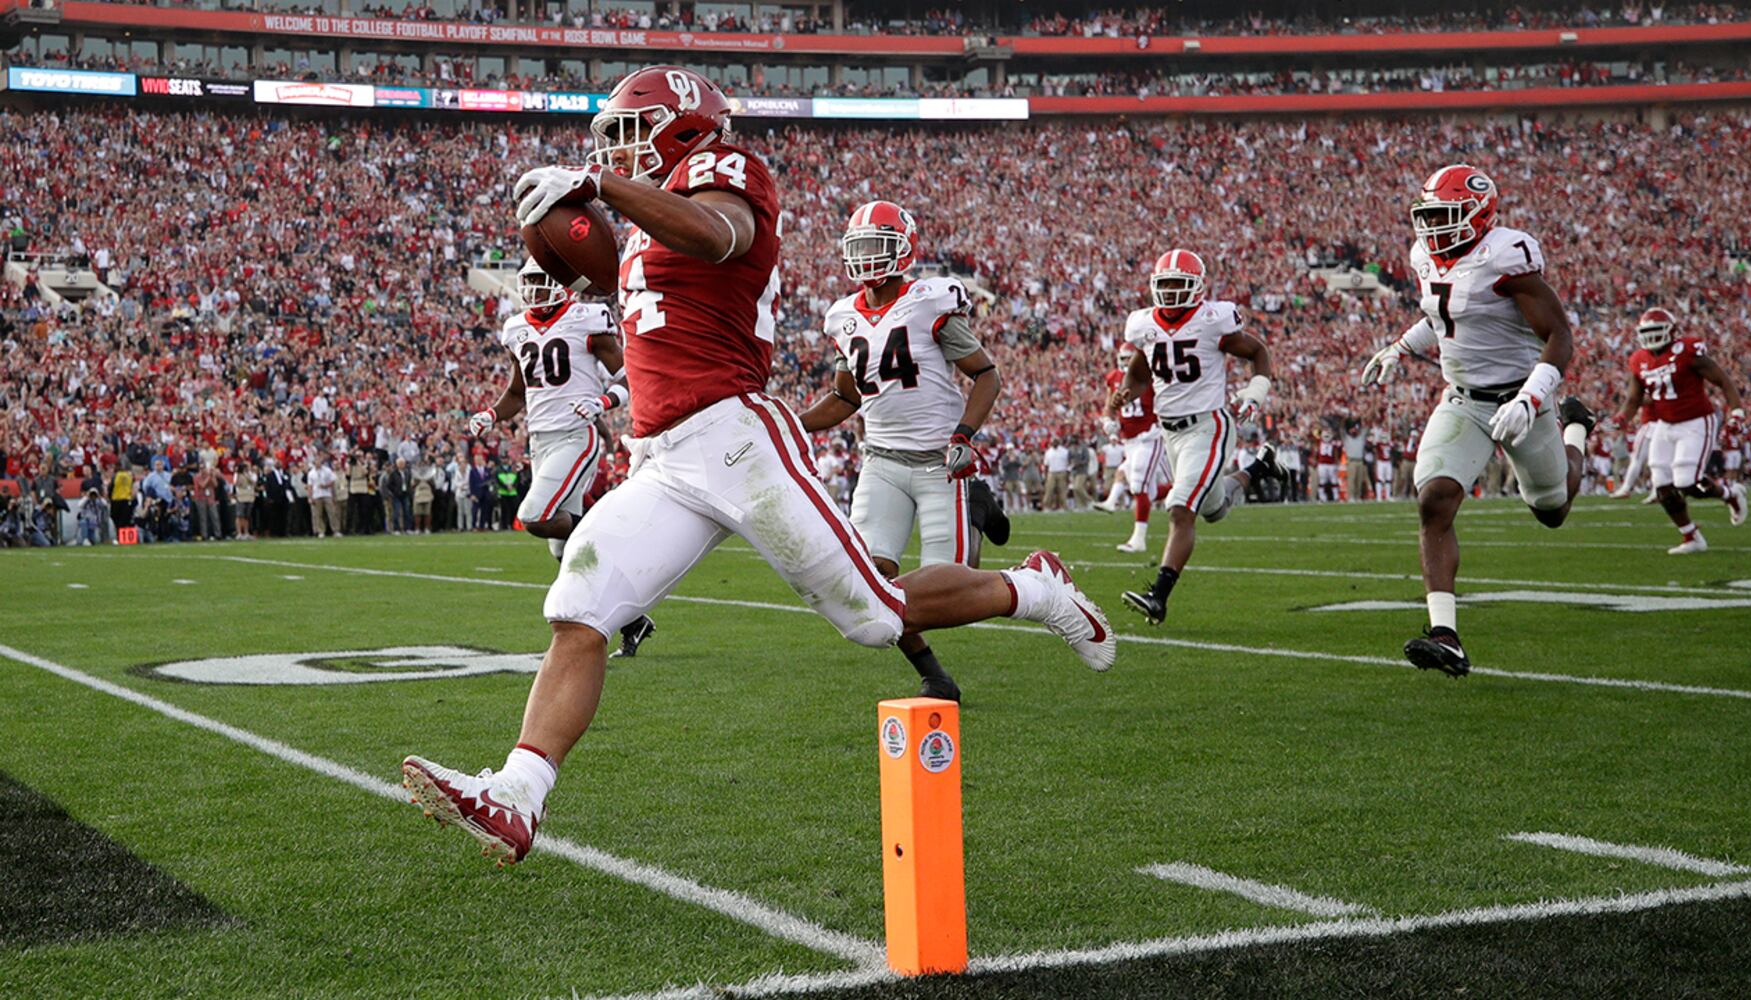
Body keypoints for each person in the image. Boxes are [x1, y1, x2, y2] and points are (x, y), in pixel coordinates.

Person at [400, 65, 1114, 867]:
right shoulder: (646, 222)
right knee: (580, 605)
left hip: (734, 436)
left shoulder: (727, 171)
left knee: (875, 615)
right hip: (662, 456)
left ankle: (1039, 589)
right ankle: (518, 795)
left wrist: (596, 185)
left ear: (681, 126)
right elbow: (617, 277)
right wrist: (554, 223)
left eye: (633, 132)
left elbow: (715, 236)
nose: (621, 149)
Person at [1360, 164, 1599, 677]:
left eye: (1447, 216)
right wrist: (1400, 348)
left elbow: (1559, 336)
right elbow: (1443, 316)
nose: (1435, 227)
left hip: (1522, 398)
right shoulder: (1424, 255)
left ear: (1480, 214)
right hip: (1464, 399)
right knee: (1434, 498)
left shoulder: (1506, 257)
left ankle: (1576, 428)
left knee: (1552, 508)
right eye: (1429, 216)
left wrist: (1533, 400)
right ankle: (1445, 635)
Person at [798, 199, 1004, 702]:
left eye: (878, 247)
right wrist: (788, 422)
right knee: (870, 583)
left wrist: (964, 435)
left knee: (953, 588)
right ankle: (934, 674)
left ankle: (976, 512)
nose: (868, 258)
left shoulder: (928, 303)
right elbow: (846, 397)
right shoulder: (843, 316)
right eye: (860, 248)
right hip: (882, 463)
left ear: (904, 249)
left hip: (940, 462)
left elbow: (986, 374)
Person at [468, 258, 656, 655]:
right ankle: (634, 620)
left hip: (576, 436)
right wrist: (490, 413)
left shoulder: (587, 319)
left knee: (535, 516)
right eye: (529, 282)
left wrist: (604, 401)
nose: (534, 290)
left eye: (541, 281)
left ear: (564, 284)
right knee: (563, 550)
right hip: (541, 441)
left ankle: (606, 532)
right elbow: (518, 392)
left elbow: (631, 376)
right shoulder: (516, 328)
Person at [1115, 249, 1280, 626]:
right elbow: (1140, 374)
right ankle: (1258, 468)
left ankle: (1158, 596)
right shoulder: (1144, 325)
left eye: (1179, 283)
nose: (1172, 291)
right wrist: (1128, 392)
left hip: (1209, 425)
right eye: (1166, 284)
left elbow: (1257, 350)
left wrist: (1256, 390)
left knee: (1180, 507)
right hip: (1170, 431)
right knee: (1213, 510)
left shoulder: (1210, 320)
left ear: (1197, 287)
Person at [1611, 307, 1748, 553]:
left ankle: (1730, 493)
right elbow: (1633, 399)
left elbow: (1723, 380)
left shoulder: (1686, 351)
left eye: (1656, 331)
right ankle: (1691, 537)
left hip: (1696, 421)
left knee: (1687, 482)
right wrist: (1622, 417)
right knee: (1662, 484)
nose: (1652, 337)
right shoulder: (1638, 359)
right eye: (1647, 332)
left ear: (1672, 331)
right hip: (1664, 424)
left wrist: (1736, 411)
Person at [1098, 344, 1170, 553]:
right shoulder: (1113, 377)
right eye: (1123, 357)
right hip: (1128, 441)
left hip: (1148, 436)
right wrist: (1107, 421)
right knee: (1147, 490)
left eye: (1130, 358)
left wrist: (1161, 425)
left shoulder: (1150, 377)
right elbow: (1108, 406)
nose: (1125, 362)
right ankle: (1188, 491)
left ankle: (1139, 539)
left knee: (1138, 484)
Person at [233, 463, 258, 539]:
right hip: (241, 496)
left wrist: (247, 476)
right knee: (239, 515)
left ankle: (246, 532)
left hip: (249, 496)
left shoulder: (251, 474)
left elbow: (253, 483)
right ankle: (239, 532)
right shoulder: (237, 475)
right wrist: (240, 475)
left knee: (247, 516)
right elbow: (237, 484)